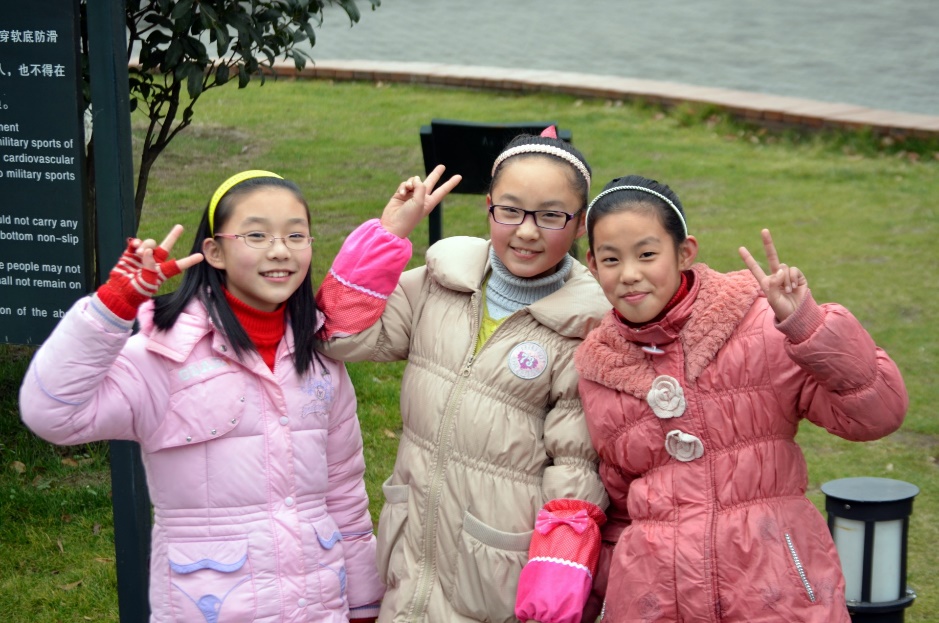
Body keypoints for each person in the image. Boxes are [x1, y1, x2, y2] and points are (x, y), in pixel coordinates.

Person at [17, 170, 414, 622]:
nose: (280, 250)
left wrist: (364, 605)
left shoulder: (319, 357)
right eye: (257, 234)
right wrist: (111, 308)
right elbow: (50, 412)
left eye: (295, 235)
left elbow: (344, 492)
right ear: (214, 251)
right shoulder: (163, 354)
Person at [574, 174, 909, 622]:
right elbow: (617, 505)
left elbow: (878, 414)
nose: (629, 274)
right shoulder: (600, 367)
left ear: (685, 251)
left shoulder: (759, 327)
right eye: (611, 259)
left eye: (647, 254)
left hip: (774, 590)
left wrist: (808, 326)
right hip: (653, 600)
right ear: (593, 265)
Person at [315, 128, 610, 623]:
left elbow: (576, 469)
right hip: (413, 547)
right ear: (489, 206)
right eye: (510, 210)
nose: (527, 231)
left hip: (500, 568)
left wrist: (555, 576)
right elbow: (340, 334)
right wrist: (389, 235)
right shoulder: (441, 281)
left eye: (551, 215)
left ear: (579, 224)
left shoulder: (584, 327)